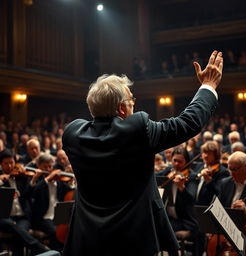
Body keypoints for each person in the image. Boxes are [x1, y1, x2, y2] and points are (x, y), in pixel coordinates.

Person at [62, 50, 223, 256]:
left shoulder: (72, 134)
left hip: (86, 240)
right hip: (133, 241)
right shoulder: (137, 130)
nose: (134, 104)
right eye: (131, 101)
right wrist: (208, 86)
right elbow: (188, 123)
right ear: (122, 109)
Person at [0, 149, 49, 255]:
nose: (9, 166)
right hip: (5, 217)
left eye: (11, 162)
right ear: (1, 164)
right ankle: (40, 248)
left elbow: (28, 194)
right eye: (6, 163)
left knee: (19, 232)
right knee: (12, 225)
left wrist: (32, 180)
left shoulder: (21, 176)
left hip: (22, 217)